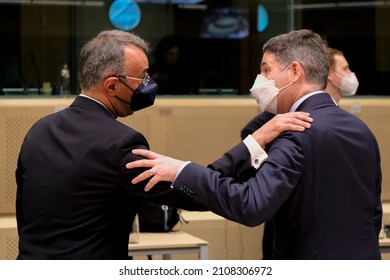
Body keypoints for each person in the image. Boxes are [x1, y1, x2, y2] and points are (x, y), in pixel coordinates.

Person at [15, 29, 312, 260]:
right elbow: (194, 192)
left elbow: (24, 211)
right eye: (142, 77)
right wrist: (256, 141)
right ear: (111, 85)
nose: (149, 83)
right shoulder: (120, 144)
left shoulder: (38, 131)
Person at [126, 29, 382, 259]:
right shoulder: (361, 129)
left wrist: (182, 170)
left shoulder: (295, 131)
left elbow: (252, 205)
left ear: (294, 72)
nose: (260, 79)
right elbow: (373, 214)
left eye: (266, 69)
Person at [240, 46, 360, 259]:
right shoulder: (283, 118)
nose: (350, 73)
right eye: (345, 68)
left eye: (267, 71)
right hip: (292, 234)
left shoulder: (351, 125)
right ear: (329, 74)